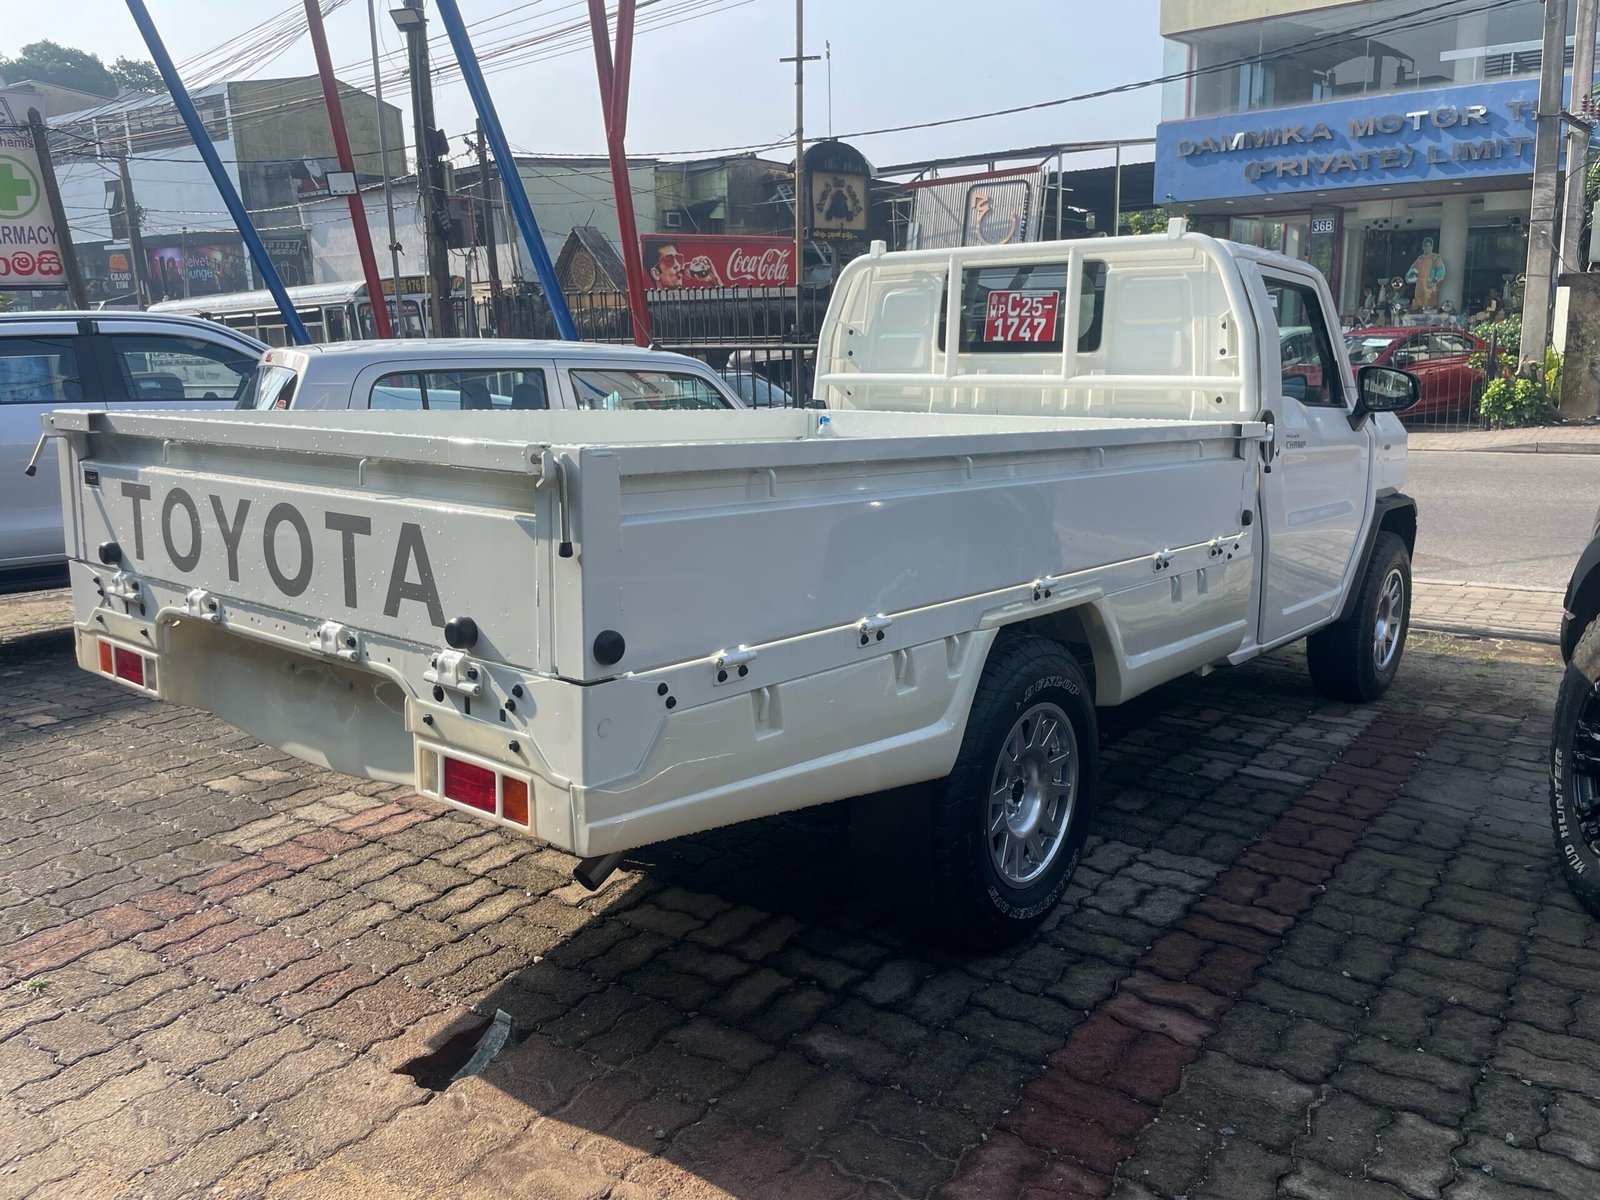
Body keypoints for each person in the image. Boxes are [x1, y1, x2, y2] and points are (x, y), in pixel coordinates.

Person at [645, 242, 723, 289]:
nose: (677, 265)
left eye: (677, 258)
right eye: (669, 260)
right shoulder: (654, 309)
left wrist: (713, 279)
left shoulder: (691, 303)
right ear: (655, 273)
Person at [1405, 238, 1447, 311]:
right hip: (1419, 283)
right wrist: (1409, 277)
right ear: (1422, 247)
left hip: (1429, 284)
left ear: (1432, 247)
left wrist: (1434, 280)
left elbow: (1441, 271)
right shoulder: (1420, 258)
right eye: (1425, 246)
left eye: (1428, 246)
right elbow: (1412, 269)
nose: (1427, 248)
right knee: (1418, 302)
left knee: (1429, 302)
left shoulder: (1435, 258)